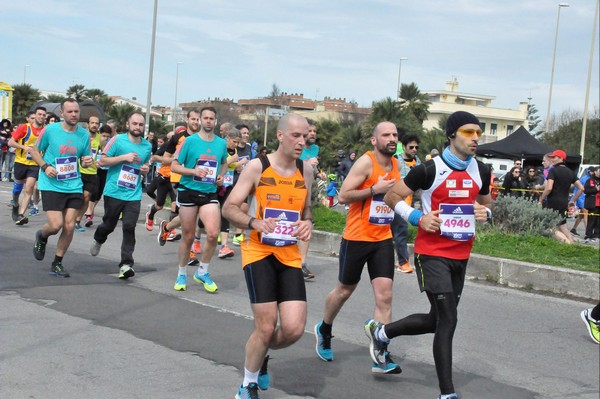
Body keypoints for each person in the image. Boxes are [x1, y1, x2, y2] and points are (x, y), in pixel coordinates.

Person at [364, 111, 492, 399]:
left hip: (461, 254)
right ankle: (447, 393)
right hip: (431, 253)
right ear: (451, 135)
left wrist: (487, 213)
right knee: (449, 319)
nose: (475, 138)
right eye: (468, 132)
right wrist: (418, 218)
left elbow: (486, 204)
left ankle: (381, 334)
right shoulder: (429, 169)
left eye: (478, 133)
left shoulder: (481, 170)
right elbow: (392, 197)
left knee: (437, 319)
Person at [221, 113, 314, 399]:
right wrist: (254, 223)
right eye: (296, 135)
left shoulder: (306, 170)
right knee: (265, 325)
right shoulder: (257, 167)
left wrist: (307, 222)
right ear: (281, 136)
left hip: (289, 255)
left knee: (294, 329)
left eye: (306, 136)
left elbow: (307, 209)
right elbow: (229, 207)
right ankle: (247, 383)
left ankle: (260, 353)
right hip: (258, 251)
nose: (302, 141)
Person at [315, 121, 401, 374]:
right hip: (357, 237)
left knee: (385, 295)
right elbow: (343, 195)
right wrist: (375, 189)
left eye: (395, 134)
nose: (392, 138)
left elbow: (394, 197)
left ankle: (380, 354)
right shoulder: (366, 162)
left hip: (382, 238)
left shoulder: (396, 165)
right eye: (386, 135)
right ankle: (325, 328)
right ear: (375, 140)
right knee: (345, 290)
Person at [30, 99, 92, 277]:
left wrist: (86, 161)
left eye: (76, 111)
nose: (74, 114)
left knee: (69, 226)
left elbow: (84, 159)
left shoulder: (83, 134)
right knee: (56, 225)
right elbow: (34, 150)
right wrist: (45, 166)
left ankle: (57, 263)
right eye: (70, 111)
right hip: (51, 184)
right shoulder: (50, 130)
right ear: (62, 113)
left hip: (73, 184)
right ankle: (42, 236)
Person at [168, 107, 228, 293]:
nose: (208, 121)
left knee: (212, 234)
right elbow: (174, 166)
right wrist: (193, 171)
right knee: (188, 235)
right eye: (205, 118)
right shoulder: (189, 142)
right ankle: (181, 273)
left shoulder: (220, 144)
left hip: (209, 192)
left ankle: (202, 271)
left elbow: (224, 161)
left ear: (215, 121)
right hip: (188, 191)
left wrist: (221, 175)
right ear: (200, 120)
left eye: (212, 118)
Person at [89, 112, 152, 279]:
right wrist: (124, 157)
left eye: (140, 124)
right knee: (108, 225)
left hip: (133, 193)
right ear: (127, 124)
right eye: (135, 123)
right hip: (114, 191)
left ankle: (126, 264)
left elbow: (144, 163)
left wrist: (145, 168)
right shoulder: (117, 141)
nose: (138, 127)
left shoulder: (147, 146)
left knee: (129, 227)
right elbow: (102, 161)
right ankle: (99, 238)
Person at [9, 107, 46, 224]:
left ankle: (21, 214)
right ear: (35, 115)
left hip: (34, 164)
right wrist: (24, 147)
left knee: (29, 188)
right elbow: (10, 142)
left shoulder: (46, 131)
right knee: (16, 190)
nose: (42, 116)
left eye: (44, 115)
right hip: (21, 162)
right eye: (39, 114)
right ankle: (15, 204)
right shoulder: (24, 128)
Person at [538, 150, 583, 244]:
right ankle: (572, 244)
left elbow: (549, 188)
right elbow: (581, 188)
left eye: (554, 157)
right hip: (564, 202)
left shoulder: (553, 170)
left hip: (553, 202)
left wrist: (541, 199)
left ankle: (568, 244)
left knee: (549, 227)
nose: (552, 159)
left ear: (561, 158)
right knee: (563, 226)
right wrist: (573, 200)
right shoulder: (570, 172)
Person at [297, 123, 324, 280]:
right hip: (292, 191)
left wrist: (319, 174)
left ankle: (302, 264)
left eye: (315, 131)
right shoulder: (297, 147)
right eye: (310, 131)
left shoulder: (315, 149)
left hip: (308, 194)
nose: (313, 134)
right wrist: (307, 164)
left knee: (307, 226)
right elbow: (290, 167)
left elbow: (313, 169)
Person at [392, 134, 421, 273]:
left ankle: (401, 262)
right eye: (411, 147)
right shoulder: (395, 161)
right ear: (404, 147)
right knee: (400, 232)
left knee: (399, 232)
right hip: (396, 201)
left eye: (416, 147)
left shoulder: (419, 162)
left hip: (410, 202)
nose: (414, 149)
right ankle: (402, 263)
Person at [74, 116, 102, 232]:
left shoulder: (101, 139)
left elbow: (105, 153)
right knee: (76, 197)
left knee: (86, 198)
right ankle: (69, 217)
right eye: (92, 123)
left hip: (92, 173)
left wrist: (101, 162)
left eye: (96, 123)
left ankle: (77, 221)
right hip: (78, 171)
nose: (94, 125)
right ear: (87, 124)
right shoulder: (81, 136)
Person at [230, 124, 254, 247]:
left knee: (244, 208)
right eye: (244, 133)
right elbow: (226, 165)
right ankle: (221, 232)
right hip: (231, 181)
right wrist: (238, 165)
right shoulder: (232, 148)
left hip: (244, 183)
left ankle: (238, 235)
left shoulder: (249, 148)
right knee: (227, 209)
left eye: (247, 133)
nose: (246, 135)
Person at [84, 125, 112, 226]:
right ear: (100, 133)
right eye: (104, 135)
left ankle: (90, 212)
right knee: (93, 192)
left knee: (99, 194)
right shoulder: (94, 140)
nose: (105, 138)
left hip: (106, 170)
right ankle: (88, 213)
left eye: (107, 136)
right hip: (95, 170)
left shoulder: (110, 143)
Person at [571, 167, 593, 236]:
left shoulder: (591, 179)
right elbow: (577, 189)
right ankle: (588, 232)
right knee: (586, 214)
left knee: (581, 215)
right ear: (590, 171)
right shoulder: (584, 178)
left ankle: (573, 229)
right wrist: (574, 198)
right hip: (581, 198)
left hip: (585, 198)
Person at [582, 166, 599, 243]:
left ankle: (597, 235)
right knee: (591, 220)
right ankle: (588, 235)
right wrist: (596, 189)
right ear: (595, 172)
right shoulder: (590, 180)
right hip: (592, 203)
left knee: (598, 221)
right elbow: (585, 190)